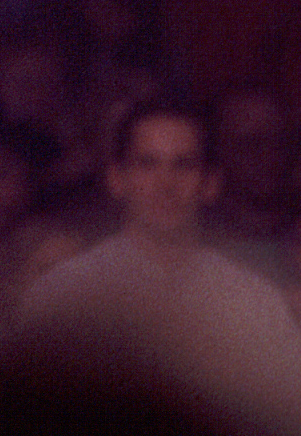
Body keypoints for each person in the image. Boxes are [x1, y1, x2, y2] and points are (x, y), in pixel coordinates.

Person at [20, 101, 301, 388]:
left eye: (184, 165)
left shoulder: (254, 303)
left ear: (210, 183)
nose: (166, 184)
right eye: (147, 164)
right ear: (116, 179)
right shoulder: (62, 295)